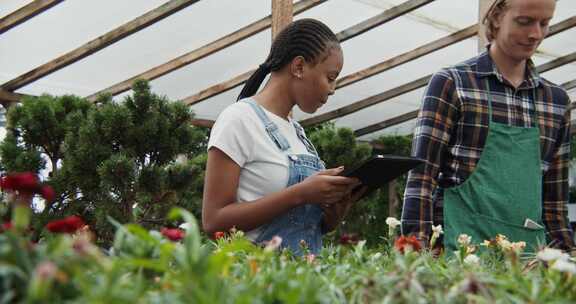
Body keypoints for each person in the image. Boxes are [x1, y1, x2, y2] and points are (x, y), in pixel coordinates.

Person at [402, 0, 575, 254]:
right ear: (496, 18)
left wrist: (567, 266)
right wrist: (415, 258)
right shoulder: (454, 84)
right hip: (457, 260)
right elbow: (421, 180)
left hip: (526, 269)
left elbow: (554, 208)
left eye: (544, 23)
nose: (535, 34)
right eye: (524, 21)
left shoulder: (555, 102)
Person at [202, 19, 365, 255]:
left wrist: (334, 213)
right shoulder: (238, 120)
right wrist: (300, 194)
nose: (332, 89)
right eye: (330, 77)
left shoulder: (298, 133)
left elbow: (308, 227)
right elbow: (214, 222)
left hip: (301, 282)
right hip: (254, 278)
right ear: (298, 67)